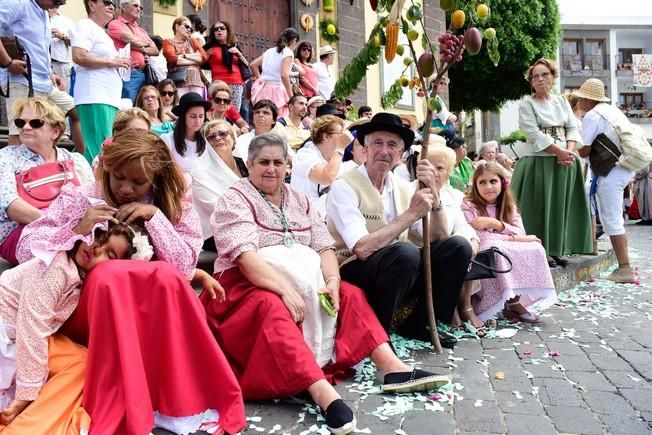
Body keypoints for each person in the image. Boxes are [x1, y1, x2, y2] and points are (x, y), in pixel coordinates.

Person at [203, 132, 448, 435]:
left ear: (287, 167)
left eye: (278, 162)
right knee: (271, 307)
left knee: (349, 294)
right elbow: (246, 258)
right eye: (263, 162)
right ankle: (323, 394)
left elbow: (324, 248)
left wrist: (332, 280)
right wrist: (284, 289)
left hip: (304, 279)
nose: (271, 169)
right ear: (249, 165)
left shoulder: (299, 199)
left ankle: (392, 368)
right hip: (247, 284)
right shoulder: (234, 198)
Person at [16, 129, 247, 435]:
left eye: (138, 182)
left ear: (155, 179)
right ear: (107, 170)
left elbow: (184, 268)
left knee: (163, 274)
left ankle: (172, 396)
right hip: (84, 312)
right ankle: (117, 390)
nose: (125, 188)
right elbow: (24, 248)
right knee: (108, 274)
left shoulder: (175, 206)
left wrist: (156, 219)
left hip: (148, 318)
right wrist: (77, 229)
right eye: (118, 177)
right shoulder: (81, 196)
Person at [326, 113, 478, 348]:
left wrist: (434, 198)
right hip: (352, 268)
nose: (384, 151)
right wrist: (411, 214)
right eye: (378, 143)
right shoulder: (344, 186)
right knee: (406, 252)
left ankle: (421, 324)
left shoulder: (402, 187)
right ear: (365, 148)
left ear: (401, 154)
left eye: (393, 145)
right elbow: (362, 249)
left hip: (398, 269)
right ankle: (377, 336)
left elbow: (439, 238)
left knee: (457, 247)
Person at [0, 222, 150, 432]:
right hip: (9, 334)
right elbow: (32, 328)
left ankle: (31, 423)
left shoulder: (80, 275)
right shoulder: (55, 266)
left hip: (22, 335)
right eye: (98, 236)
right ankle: (25, 427)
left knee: (85, 361)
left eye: (109, 253)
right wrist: (25, 395)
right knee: (79, 364)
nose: (96, 248)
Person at [511, 58, 592, 268]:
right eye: (535, 76)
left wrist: (569, 152)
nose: (540, 79)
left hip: (565, 161)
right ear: (531, 81)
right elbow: (532, 132)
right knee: (537, 207)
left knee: (560, 206)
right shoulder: (527, 103)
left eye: (544, 74)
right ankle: (541, 251)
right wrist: (558, 151)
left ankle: (557, 248)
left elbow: (573, 127)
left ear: (553, 77)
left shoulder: (561, 101)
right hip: (539, 161)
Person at [461, 162, 557, 329]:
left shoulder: (507, 205)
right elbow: (480, 236)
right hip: (482, 251)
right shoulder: (470, 206)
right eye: (482, 182)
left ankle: (515, 300)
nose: (488, 187)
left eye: (493, 181)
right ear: (475, 186)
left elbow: (520, 231)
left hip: (504, 243)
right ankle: (504, 303)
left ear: (502, 183)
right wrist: (515, 238)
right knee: (498, 251)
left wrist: (496, 224)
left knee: (535, 248)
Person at [0, 97, 93, 266]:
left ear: (55, 132)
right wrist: (62, 226)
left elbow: (91, 200)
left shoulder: (75, 160)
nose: (26, 127)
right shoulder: (7, 157)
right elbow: (10, 205)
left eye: (35, 123)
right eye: (21, 122)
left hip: (74, 230)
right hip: (24, 233)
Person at [0, 0, 85, 154]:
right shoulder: (18, 3)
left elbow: (37, 48)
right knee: (19, 132)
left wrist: (51, 73)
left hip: (44, 83)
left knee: (79, 111)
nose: (60, 5)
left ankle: (79, 161)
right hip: (22, 81)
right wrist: (8, 62)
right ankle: (10, 174)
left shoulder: (43, 11)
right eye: (57, 1)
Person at [576, 78, 638, 283]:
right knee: (613, 216)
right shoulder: (612, 111)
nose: (580, 102)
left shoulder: (593, 115)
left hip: (612, 171)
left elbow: (584, 148)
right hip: (623, 168)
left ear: (587, 99)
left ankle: (625, 268)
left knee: (611, 218)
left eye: (581, 99)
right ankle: (624, 265)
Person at [71, 0, 131, 164]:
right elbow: (79, 56)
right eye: (106, 2)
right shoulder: (85, 25)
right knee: (98, 147)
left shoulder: (102, 33)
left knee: (102, 145)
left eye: (113, 3)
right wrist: (113, 62)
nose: (112, 6)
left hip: (107, 98)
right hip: (94, 95)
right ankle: (91, 186)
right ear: (91, 5)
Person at [192, 119, 248, 248]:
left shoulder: (245, 163)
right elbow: (218, 210)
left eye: (223, 134)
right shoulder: (201, 172)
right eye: (211, 137)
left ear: (233, 138)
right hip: (220, 231)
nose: (217, 138)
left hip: (252, 223)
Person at [291, 115, 351, 218]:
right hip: (304, 217)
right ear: (325, 136)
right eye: (340, 134)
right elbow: (327, 178)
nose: (344, 138)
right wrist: (340, 149)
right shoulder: (304, 155)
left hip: (326, 217)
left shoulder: (334, 159)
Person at [107, 0, 158, 103]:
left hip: (144, 74)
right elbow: (133, 40)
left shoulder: (141, 30)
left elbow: (155, 50)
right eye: (135, 6)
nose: (139, 9)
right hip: (129, 73)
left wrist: (137, 47)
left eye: (140, 7)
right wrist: (144, 45)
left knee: (143, 110)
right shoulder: (115, 24)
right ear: (124, 7)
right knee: (129, 108)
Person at [249, 28, 300, 118]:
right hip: (276, 91)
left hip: (263, 90)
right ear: (294, 40)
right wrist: (291, 95)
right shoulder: (288, 52)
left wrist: (260, 78)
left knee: (264, 118)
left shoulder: (270, 51)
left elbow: (253, 65)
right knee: (278, 121)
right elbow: (284, 75)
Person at [204, 20, 249, 112]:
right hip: (218, 84)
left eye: (222, 28)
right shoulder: (209, 48)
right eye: (216, 29)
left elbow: (246, 65)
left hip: (237, 83)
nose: (219, 31)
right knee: (217, 111)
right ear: (213, 33)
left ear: (227, 31)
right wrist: (205, 82)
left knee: (233, 111)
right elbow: (198, 64)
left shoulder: (235, 46)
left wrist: (239, 54)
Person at [161, 92, 211, 173]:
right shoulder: (167, 140)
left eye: (201, 116)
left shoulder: (207, 140)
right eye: (193, 116)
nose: (198, 121)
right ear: (183, 116)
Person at [162, 16, 209, 97]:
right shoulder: (168, 42)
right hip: (179, 82)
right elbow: (172, 59)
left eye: (191, 28)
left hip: (196, 82)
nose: (189, 30)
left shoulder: (192, 41)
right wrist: (195, 60)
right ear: (177, 26)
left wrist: (184, 55)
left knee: (196, 106)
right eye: (186, 26)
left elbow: (204, 57)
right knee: (181, 106)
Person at [48, 6, 74, 92]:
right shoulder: (36, 19)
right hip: (42, 64)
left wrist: (62, 36)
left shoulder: (66, 21)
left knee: (63, 94)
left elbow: (76, 43)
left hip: (60, 64)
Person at [438, 129, 473, 194]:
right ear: (450, 150)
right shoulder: (442, 169)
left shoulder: (467, 161)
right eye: (459, 145)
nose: (464, 146)